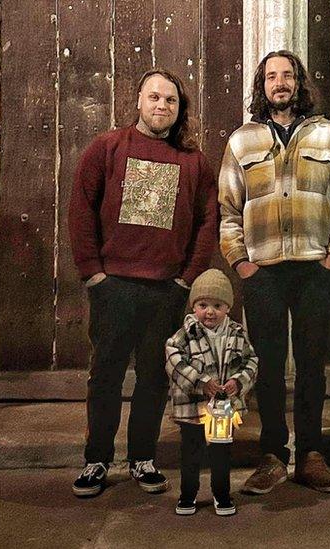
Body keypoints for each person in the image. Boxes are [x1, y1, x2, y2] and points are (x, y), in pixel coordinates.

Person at [68, 68, 219, 498]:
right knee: (106, 377)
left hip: (165, 290)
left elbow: (208, 221)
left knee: (154, 378)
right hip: (113, 284)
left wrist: (186, 279)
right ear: (138, 101)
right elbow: (81, 209)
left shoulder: (193, 161)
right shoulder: (108, 147)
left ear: (179, 108)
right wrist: (93, 273)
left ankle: (142, 459)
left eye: (170, 100)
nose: (161, 106)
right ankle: (96, 460)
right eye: (154, 97)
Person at [219, 50, 330, 494]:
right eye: (271, 77)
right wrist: (241, 262)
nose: (279, 83)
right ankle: (272, 456)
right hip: (262, 272)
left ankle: (311, 456)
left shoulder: (329, 136)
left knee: (312, 366)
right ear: (262, 86)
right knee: (266, 366)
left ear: (299, 83)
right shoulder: (242, 141)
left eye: (287, 75)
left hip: (314, 269)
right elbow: (227, 210)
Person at [165, 268, 258, 516]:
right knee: (191, 453)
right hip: (192, 408)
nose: (210, 311)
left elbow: (251, 361)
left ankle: (222, 494)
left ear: (227, 307)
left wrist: (238, 382)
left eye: (217, 305)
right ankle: (187, 496)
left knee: (221, 453)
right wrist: (202, 382)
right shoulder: (184, 335)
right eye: (203, 304)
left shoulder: (237, 333)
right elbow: (174, 361)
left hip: (223, 410)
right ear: (194, 306)